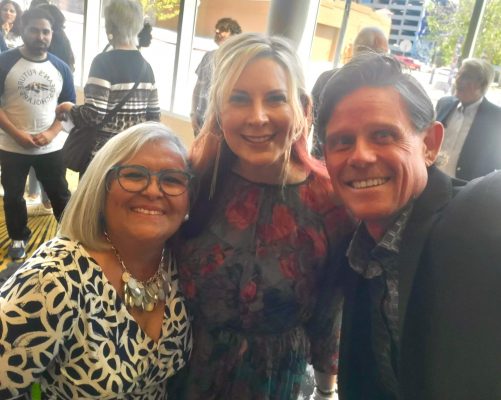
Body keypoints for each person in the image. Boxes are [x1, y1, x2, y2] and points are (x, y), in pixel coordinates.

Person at [176, 33, 353, 400]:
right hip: (182, 366)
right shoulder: (194, 177)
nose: (257, 117)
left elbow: (331, 308)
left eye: (275, 99)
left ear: (303, 110)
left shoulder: (330, 199)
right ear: (219, 112)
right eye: (239, 99)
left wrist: (325, 390)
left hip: (273, 380)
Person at [317, 52, 501, 399]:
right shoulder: (355, 248)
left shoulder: (479, 228)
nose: (360, 156)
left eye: (383, 135)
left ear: (430, 144)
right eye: (342, 141)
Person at [0, 122, 193, 399]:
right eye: (134, 175)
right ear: (101, 187)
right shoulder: (53, 279)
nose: (153, 191)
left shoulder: (181, 265)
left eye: (172, 179)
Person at [0, 7, 74, 259]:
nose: (40, 36)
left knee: (60, 193)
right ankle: (18, 237)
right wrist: (17, 133)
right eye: (35, 30)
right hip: (11, 146)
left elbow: (70, 109)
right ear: (23, 29)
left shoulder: (61, 68)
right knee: (12, 196)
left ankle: (68, 236)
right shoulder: (5, 61)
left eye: (46, 31)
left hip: (51, 147)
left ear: (52, 34)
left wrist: (52, 133)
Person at [56, 0, 160, 173]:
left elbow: (94, 115)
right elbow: (153, 118)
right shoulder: (146, 66)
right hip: (131, 156)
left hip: (102, 158)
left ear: (109, 26)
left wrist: (69, 107)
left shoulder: (103, 62)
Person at [311, 26, 388, 158]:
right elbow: (307, 120)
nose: (380, 59)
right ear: (357, 50)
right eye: (378, 52)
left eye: (382, 53)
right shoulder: (326, 79)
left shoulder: (389, 89)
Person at [435, 58, 501, 180]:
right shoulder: (444, 104)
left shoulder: (496, 118)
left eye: (466, 77)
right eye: (459, 74)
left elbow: (496, 162)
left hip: (464, 187)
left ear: (482, 84)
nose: (458, 80)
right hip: (431, 177)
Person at [190, 17, 241, 136]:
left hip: (223, 123)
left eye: (223, 30)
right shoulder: (208, 56)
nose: (218, 32)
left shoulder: (238, 61)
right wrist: (193, 113)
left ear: (234, 34)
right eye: (217, 30)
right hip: (201, 119)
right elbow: (198, 87)